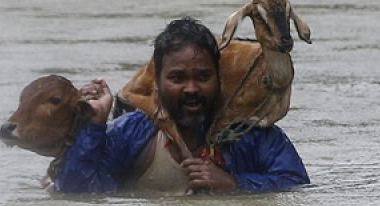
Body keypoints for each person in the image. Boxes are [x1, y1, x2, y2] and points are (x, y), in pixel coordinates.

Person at [55, 18, 309, 194]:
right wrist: (94, 125)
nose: (191, 88)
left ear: (218, 79)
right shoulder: (129, 132)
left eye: (203, 77)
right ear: (157, 80)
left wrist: (234, 184)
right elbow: (78, 194)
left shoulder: (251, 133)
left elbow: (296, 186)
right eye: (177, 78)